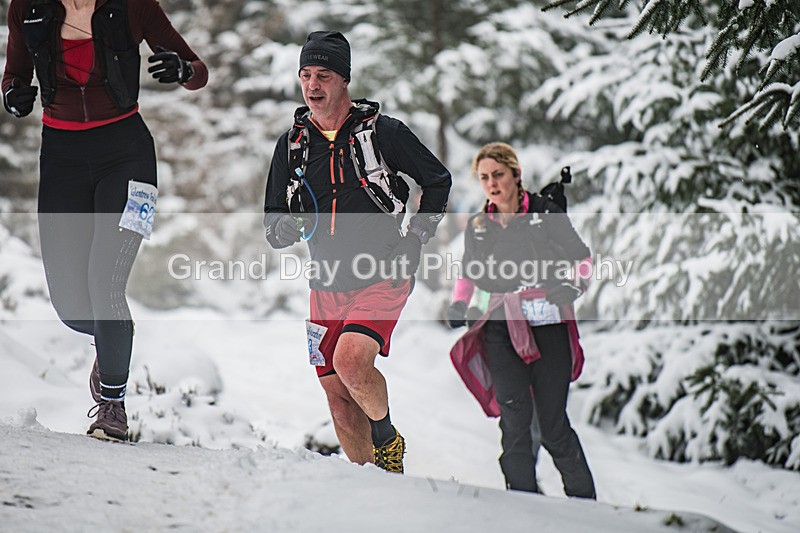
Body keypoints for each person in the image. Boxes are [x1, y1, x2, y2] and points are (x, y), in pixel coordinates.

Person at [2, 0, 208, 441]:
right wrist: (14, 96)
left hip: (129, 158)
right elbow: (14, 76)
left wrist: (182, 70)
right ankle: (115, 338)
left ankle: (113, 406)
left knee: (105, 284)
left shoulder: (133, 6)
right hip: (61, 162)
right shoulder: (27, 8)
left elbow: (198, 71)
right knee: (70, 306)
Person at [263, 31, 451, 473]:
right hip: (325, 285)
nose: (312, 85)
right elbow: (272, 223)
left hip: (382, 273)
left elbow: (437, 180)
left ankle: (387, 439)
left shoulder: (383, 133)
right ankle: (375, 485)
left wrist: (416, 237)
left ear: (344, 79)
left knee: (349, 361)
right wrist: (284, 228)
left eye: (323, 75)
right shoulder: (291, 145)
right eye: (306, 75)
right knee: (339, 401)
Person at [447, 142, 595, 498]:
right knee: (514, 423)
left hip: (549, 325)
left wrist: (573, 286)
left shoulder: (545, 213)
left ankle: (587, 507)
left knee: (553, 426)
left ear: (516, 175)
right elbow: (468, 273)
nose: (491, 184)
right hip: (500, 328)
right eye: (484, 177)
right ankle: (522, 502)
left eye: (498, 175)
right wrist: (459, 304)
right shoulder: (479, 225)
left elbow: (583, 259)